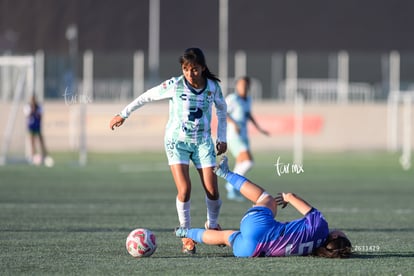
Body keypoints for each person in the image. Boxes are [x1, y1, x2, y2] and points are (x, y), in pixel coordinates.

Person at [109, 48, 227, 254]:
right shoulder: (175, 84)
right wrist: (123, 114)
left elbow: (223, 111)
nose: (190, 74)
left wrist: (222, 137)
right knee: (184, 189)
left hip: (203, 143)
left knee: (212, 189)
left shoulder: (213, 87)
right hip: (177, 143)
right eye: (186, 69)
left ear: (203, 68)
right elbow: (146, 96)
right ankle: (186, 235)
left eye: (194, 70)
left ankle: (213, 225)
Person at [175, 156, 352, 258]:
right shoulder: (313, 251)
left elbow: (293, 198)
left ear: (335, 236)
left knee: (266, 199)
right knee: (224, 237)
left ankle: (225, 173)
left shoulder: (322, 227)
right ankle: (185, 233)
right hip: (251, 251)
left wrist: (287, 197)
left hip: (259, 226)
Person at [225, 76, 269, 201]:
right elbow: (223, 112)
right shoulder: (232, 99)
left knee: (241, 163)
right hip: (234, 135)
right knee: (248, 162)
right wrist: (234, 124)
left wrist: (259, 128)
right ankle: (230, 185)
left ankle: (232, 189)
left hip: (244, 135)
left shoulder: (248, 99)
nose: (243, 87)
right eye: (240, 85)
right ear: (237, 86)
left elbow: (248, 114)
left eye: (245, 85)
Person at [23, 95, 53, 167]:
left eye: (34, 99)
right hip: (31, 127)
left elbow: (40, 115)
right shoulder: (28, 106)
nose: (33, 101)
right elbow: (27, 115)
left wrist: (36, 112)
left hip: (37, 126)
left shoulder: (39, 107)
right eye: (32, 99)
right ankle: (33, 156)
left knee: (41, 141)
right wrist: (32, 111)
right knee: (32, 142)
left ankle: (45, 155)